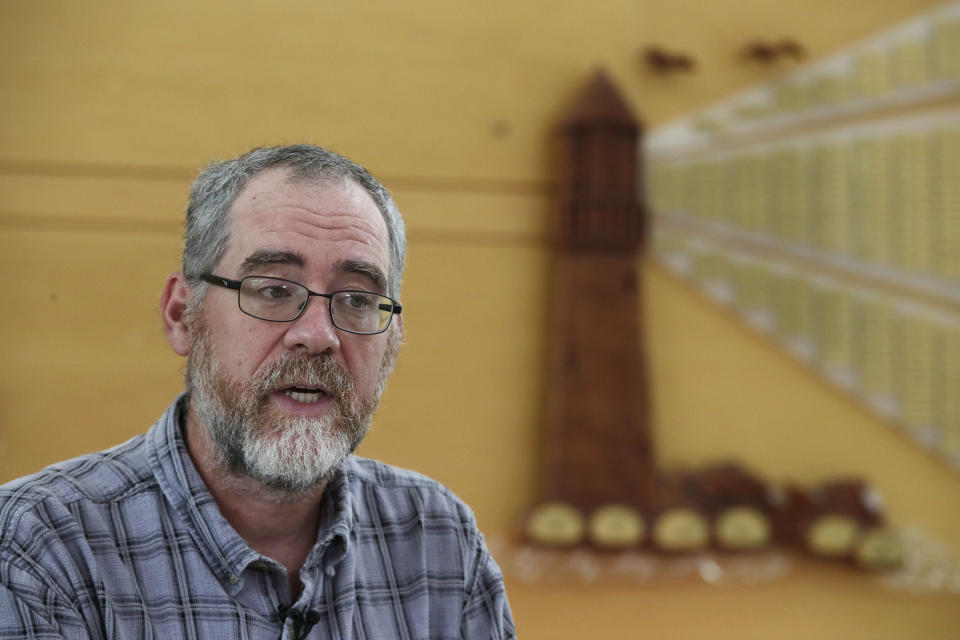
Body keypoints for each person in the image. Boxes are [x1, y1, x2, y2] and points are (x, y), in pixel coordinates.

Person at [0, 145, 515, 639]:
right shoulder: (40, 546)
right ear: (183, 316)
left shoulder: (437, 540)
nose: (318, 335)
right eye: (273, 290)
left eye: (358, 299)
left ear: (394, 341)